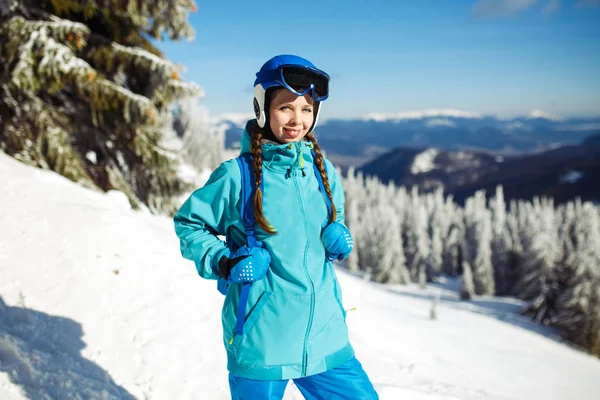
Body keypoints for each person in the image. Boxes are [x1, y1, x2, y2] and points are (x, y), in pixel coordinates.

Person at [174, 54, 378, 400]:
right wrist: (225, 262)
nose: (297, 120)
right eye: (286, 108)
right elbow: (189, 224)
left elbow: (334, 215)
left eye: (307, 110)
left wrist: (337, 233)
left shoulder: (321, 170)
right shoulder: (236, 176)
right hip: (262, 339)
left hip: (324, 335)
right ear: (262, 108)